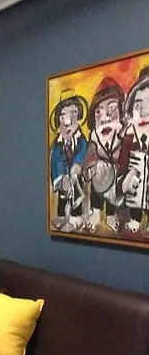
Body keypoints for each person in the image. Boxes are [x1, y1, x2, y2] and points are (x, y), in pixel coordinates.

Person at [83, 77, 125, 233]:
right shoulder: (95, 140)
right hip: (99, 180)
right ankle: (96, 211)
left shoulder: (123, 138)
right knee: (98, 180)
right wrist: (90, 168)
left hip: (116, 180)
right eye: (99, 112)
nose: (106, 117)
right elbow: (89, 157)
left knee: (115, 190)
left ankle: (111, 215)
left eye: (112, 109)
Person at [50, 91, 88, 231]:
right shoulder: (57, 146)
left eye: (73, 114)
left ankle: (75, 215)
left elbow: (84, 152)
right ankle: (62, 215)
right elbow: (55, 162)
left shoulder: (82, 141)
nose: (68, 121)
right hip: (64, 179)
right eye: (63, 116)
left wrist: (78, 165)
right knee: (63, 196)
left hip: (76, 177)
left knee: (77, 193)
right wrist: (61, 178)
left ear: (78, 116)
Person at [117, 67, 149, 234]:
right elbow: (121, 169)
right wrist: (125, 181)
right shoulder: (129, 140)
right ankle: (136, 218)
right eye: (138, 104)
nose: (143, 111)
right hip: (134, 202)